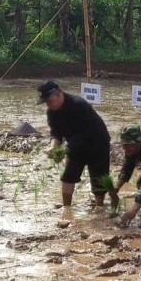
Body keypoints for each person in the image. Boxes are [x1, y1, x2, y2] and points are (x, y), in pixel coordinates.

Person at [37, 80, 117, 209]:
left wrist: (66, 148)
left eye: (49, 101)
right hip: (75, 146)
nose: (48, 104)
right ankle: (66, 208)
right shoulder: (51, 112)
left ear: (59, 94)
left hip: (97, 144)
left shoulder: (79, 104)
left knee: (99, 179)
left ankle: (101, 207)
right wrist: (53, 146)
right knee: (68, 176)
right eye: (46, 102)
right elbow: (55, 132)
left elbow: (85, 132)